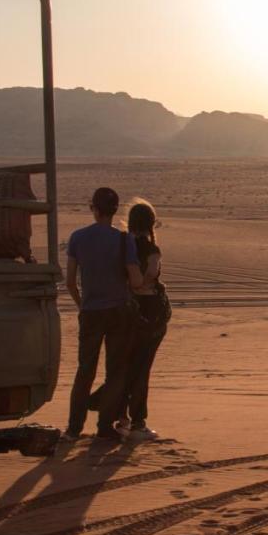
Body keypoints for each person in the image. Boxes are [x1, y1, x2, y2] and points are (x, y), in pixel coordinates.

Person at [64, 187, 143, 440]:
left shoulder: (78, 237)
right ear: (114, 210)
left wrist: (82, 304)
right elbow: (136, 280)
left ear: (94, 209)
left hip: (90, 312)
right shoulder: (124, 240)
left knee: (85, 370)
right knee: (115, 371)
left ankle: (74, 428)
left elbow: (69, 281)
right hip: (118, 311)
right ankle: (104, 426)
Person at [110, 200, 169, 441]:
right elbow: (151, 274)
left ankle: (120, 417)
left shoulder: (123, 245)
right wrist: (145, 284)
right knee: (142, 367)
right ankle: (138, 422)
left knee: (124, 364)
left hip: (122, 309)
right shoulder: (150, 249)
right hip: (148, 310)